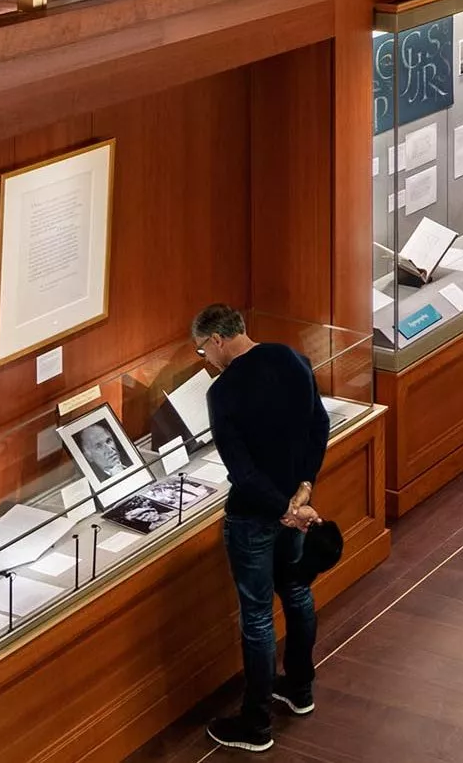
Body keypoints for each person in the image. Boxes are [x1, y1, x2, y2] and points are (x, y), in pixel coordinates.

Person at [194, 304, 329, 753]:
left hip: (254, 516)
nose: (205, 360)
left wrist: (283, 509)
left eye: (202, 351)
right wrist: (303, 490)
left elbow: (242, 472)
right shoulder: (291, 358)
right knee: (296, 591)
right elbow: (319, 425)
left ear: (216, 340)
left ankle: (255, 724)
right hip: (295, 504)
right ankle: (300, 688)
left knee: (256, 616)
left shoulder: (223, 393)